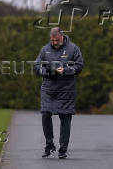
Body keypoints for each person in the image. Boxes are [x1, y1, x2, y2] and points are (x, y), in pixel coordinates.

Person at [34, 27, 84, 159]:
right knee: (45, 114)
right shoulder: (45, 49)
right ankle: (49, 144)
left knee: (65, 116)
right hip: (48, 88)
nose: (54, 43)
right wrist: (48, 71)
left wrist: (66, 70)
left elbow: (79, 66)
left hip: (66, 89)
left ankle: (63, 149)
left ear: (62, 37)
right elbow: (36, 66)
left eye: (56, 40)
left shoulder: (73, 49)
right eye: (52, 40)